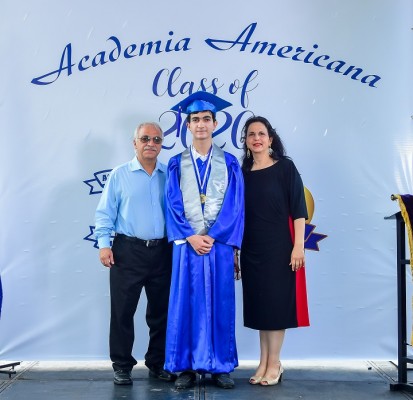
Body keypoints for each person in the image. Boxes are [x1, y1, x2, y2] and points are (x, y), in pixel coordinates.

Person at [164, 91, 244, 390]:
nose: (201, 124)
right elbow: (171, 203)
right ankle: (184, 365)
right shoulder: (176, 163)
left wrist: (212, 235)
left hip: (218, 246)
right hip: (188, 246)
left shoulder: (230, 163)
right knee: (185, 301)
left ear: (216, 123)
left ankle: (220, 365)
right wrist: (190, 235)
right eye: (195, 119)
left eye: (206, 119)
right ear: (187, 125)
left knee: (220, 302)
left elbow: (235, 205)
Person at [94, 122, 176, 385]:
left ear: (162, 144)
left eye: (157, 139)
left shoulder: (170, 175)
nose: (151, 143)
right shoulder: (120, 175)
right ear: (135, 143)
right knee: (122, 311)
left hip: (163, 251)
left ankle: (158, 363)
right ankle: (121, 365)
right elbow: (105, 213)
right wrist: (104, 244)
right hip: (127, 251)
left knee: (161, 311)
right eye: (145, 138)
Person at [240, 116, 309, 386]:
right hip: (251, 249)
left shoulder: (285, 168)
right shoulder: (243, 173)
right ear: (246, 141)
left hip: (280, 248)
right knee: (260, 307)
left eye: (261, 133)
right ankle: (263, 362)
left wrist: (298, 246)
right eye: (251, 134)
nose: (256, 138)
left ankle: (275, 363)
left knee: (276, 306)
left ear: (270, 139)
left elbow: (299, 209)